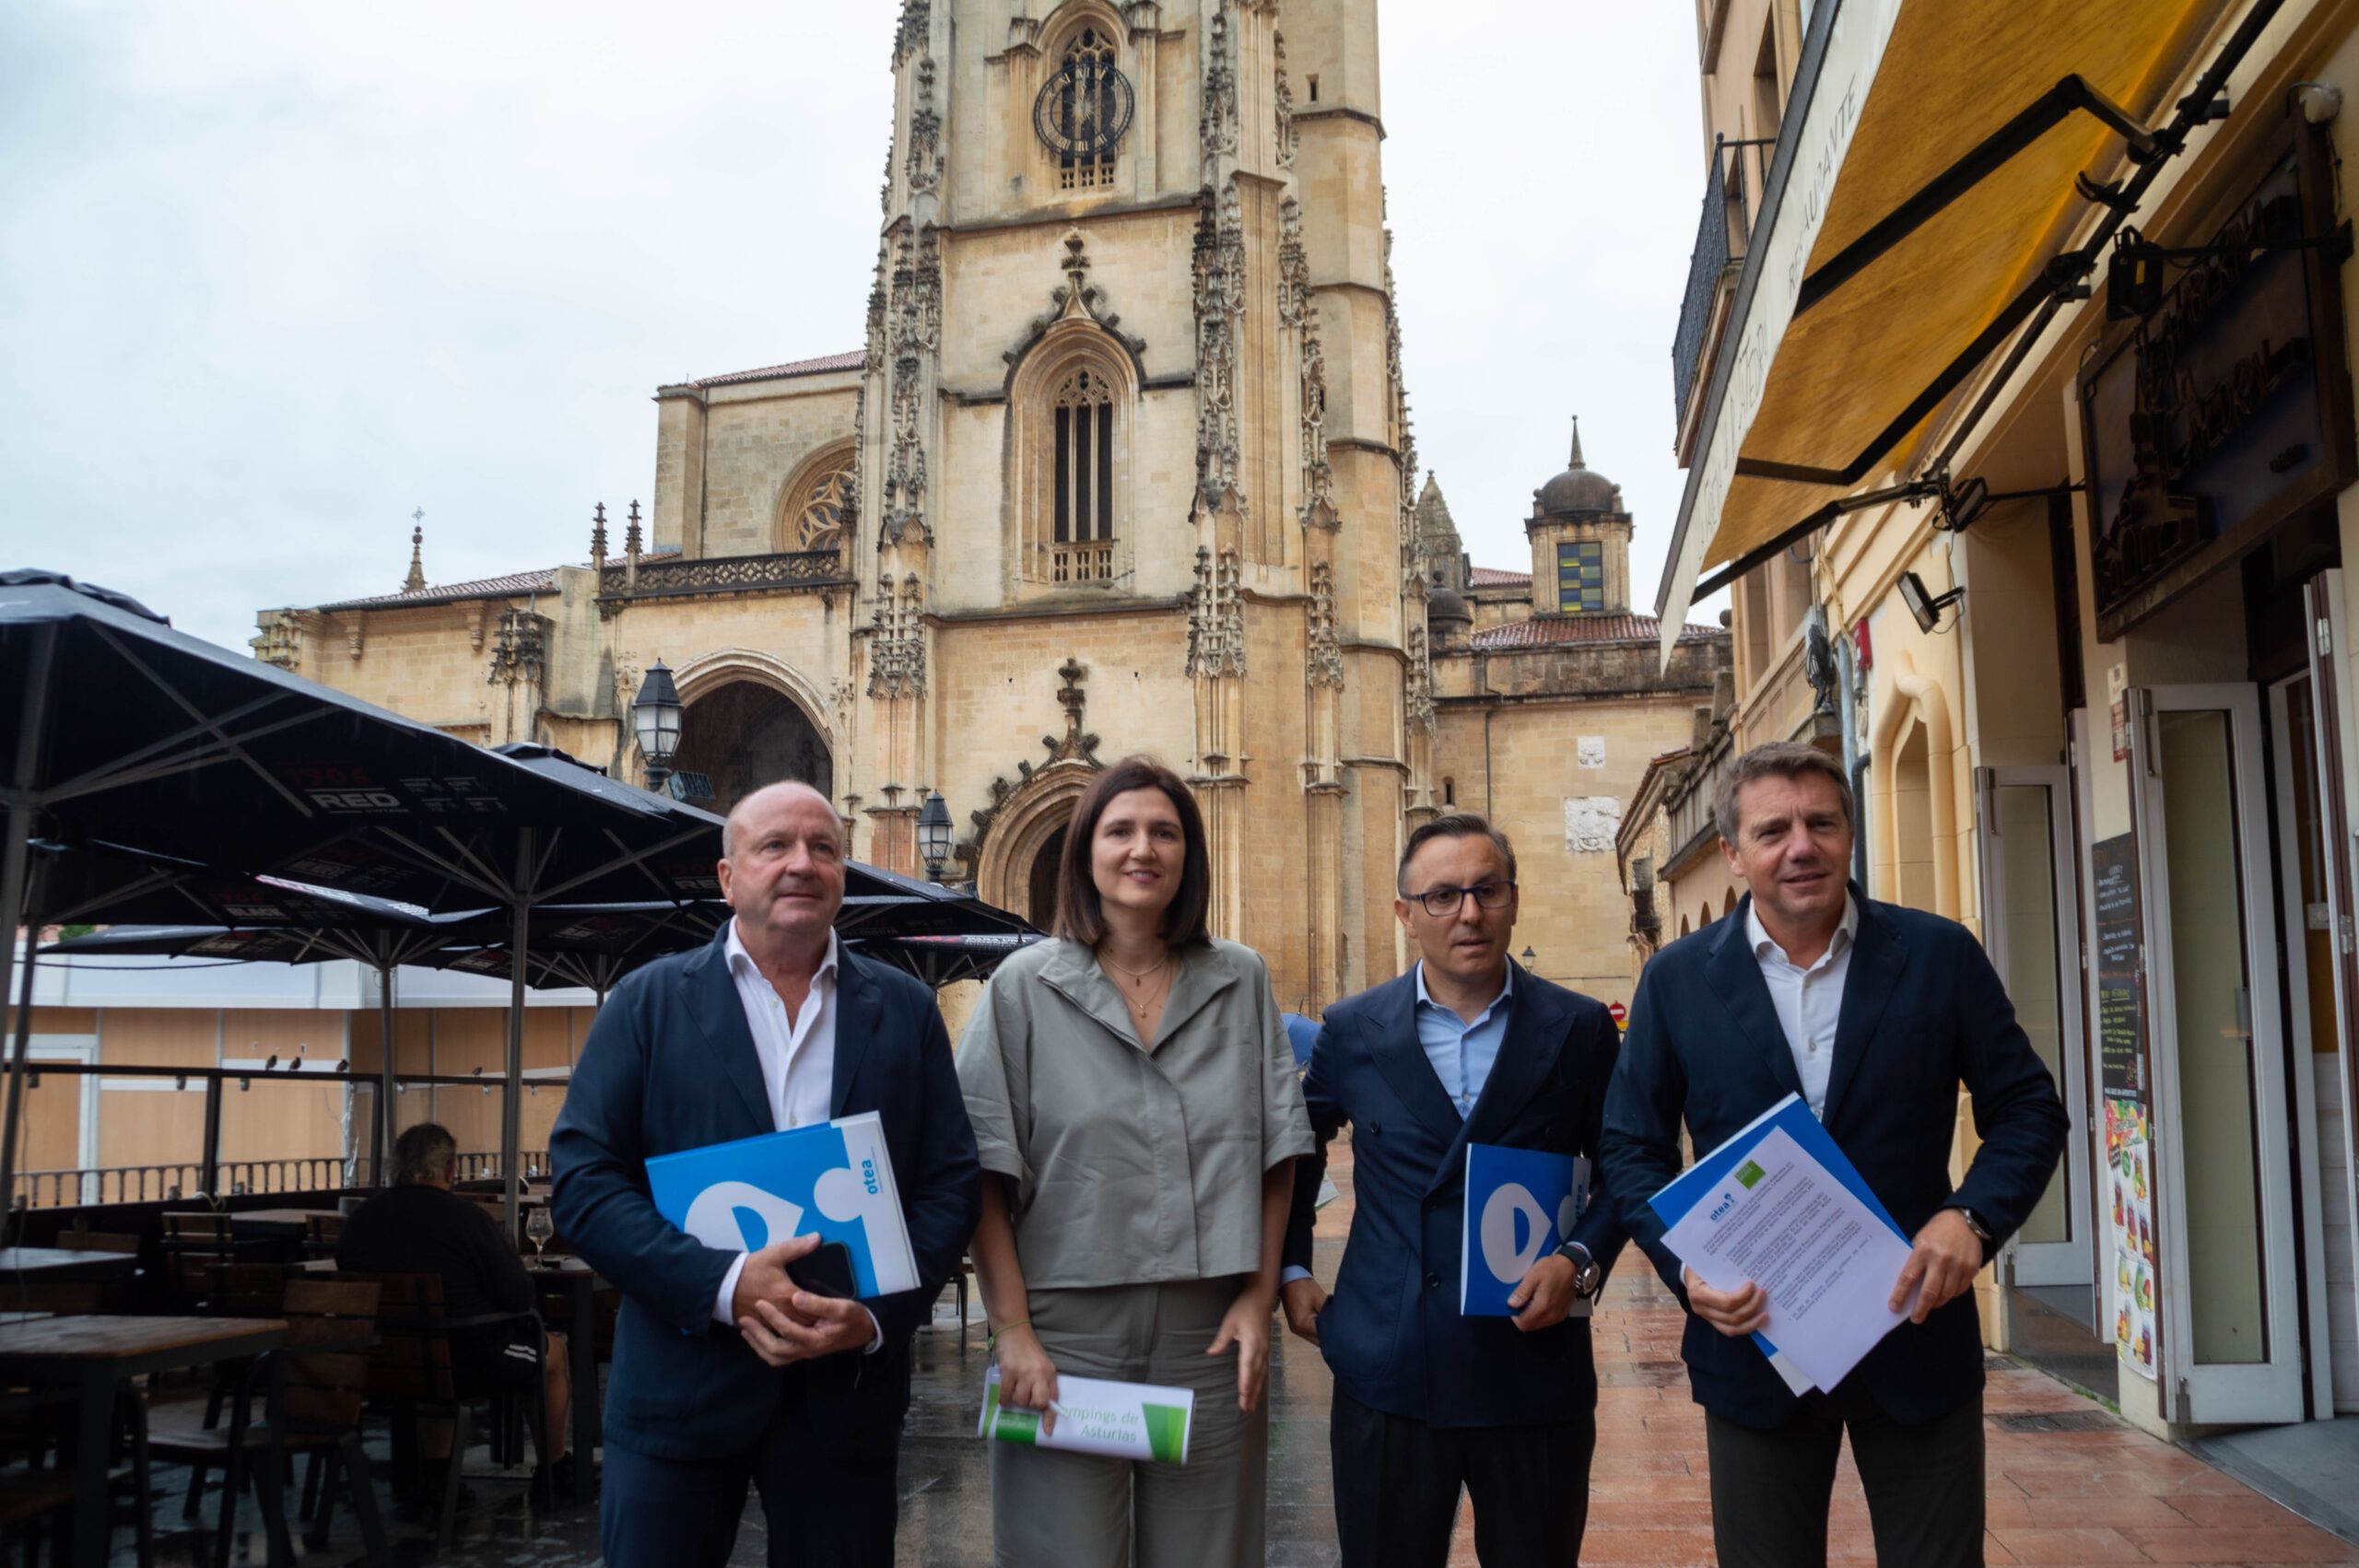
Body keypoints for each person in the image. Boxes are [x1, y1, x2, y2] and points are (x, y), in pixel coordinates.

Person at [1599, 742, 2068, 1568]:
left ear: (1850, 834)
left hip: (1914, 1329)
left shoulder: (1936, 954)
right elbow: (1630, 1147)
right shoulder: (1676, 981)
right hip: (1755, 1340)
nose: (1801, 846)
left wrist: (1972, 1217)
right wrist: (1687, 1269)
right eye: (1773, 830)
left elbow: (2029, 1108)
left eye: (1821, 822)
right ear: (1733, 855)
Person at [549, 779, 980, 1568]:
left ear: (844, 874)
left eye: (823, 848)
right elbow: (584, 1181)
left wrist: (879, 1316)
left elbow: (950, 1182)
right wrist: (724, 1284)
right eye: (774, 846)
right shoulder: (646, 1004)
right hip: (681, 1391)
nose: (801, 865)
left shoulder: (906, 1010)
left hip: (843, 1398)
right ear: (727, 877)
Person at [957, 755, 1312, 1567]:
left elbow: (1277, 1150)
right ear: (1086, 852)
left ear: (1190, 854)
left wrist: (1257, 1301)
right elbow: (981, 1167)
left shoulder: (1241, 978)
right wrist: (1011, 1330)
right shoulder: (1021, 987)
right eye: (1119, 831)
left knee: (1208, 1554)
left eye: (1164, 832)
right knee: (1062, 1553)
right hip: (1062, 1333)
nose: (1141, 849)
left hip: (1210, 1333)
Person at [1277, 812, 1627, 1568]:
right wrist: (1293, 1267)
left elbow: (1624, 1168)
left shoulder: (1580, 1027)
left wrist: (1580, 1257)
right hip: (1387, 1366)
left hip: (1533, 1370)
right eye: (1441, 897)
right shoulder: (1353, 1028)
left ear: (1513, 900)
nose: (1467, 913)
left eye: (1485, 890)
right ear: (1405, 915)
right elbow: (1296, 1149)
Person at [337, 1120, 572, 1492]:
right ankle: (555, 1471)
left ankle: (437, 1474)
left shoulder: (360, 1220)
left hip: (379, 1362)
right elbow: (518, 1296)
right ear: (450, 1169)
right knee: (552, 1353)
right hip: (469, 1362)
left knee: (434, 1346)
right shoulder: (467, 1219)